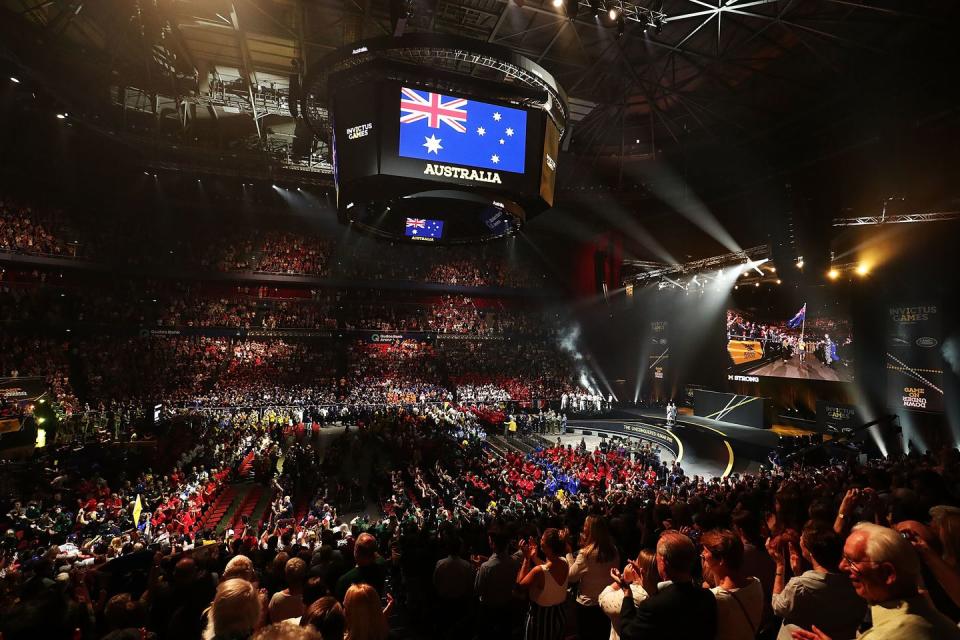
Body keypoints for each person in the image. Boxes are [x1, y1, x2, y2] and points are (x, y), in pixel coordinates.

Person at [792, 522, 960, 640]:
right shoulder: (940, 621)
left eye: (851, 561)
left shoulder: (885, 635)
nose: (842, 566)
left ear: (887, 574)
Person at [770, 523, 865, 640]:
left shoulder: (800, 586)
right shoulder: (854, 582)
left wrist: (780, 566)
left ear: (810, 552)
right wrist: (798, 573)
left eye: (802, 540)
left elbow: (777, 606)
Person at [616, 531, 717, 640]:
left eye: (657, 555)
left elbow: (627, 635)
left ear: (663, 562)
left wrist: (627, 593)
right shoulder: (708, 597)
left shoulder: (651, 606)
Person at [701, 529, 764, 640]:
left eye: (705, 551)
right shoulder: (756, 583)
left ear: (721, 560)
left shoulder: (714, 598)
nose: (702, 554)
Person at [567, 515, 621, 640]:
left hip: (588, 605)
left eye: (585, 526)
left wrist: (569, 553)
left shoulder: (586, 554)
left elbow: (571, 577)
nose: (583, 528)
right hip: (607, 603)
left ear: (591, 530)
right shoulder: (614, 549)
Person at [517, 528, 570, 640]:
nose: (540, 541)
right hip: (559, 617)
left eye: (542, 539)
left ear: (548, 547)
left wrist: (526, 558)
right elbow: (548, 569)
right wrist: (534, 557)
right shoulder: (564, 561)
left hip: (541, 621)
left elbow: (520, 586)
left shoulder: (538, 571)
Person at [599, 549, 659, 640]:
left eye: (636, 561)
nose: (632, 563)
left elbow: (602, 598)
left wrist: (624, 579)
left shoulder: (637, 595)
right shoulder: (658, 589)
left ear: (639, 570)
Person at [475, 530, 520, 639]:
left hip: (489, 607)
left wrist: (478, 570)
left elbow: (478, 589)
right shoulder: (515, 562)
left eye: (490, 541)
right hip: (508, 604)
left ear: (493, 544)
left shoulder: (486, 567)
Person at [335, 533, 387, 601]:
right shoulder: (382, 563)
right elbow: (378, 557)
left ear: (356, 551)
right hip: (376, 608)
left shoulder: (344, 581)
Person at [269, 557, 307, 622]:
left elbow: (274, 622)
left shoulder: (276, 598)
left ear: (286, 575)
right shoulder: (308, 598)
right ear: (304, 575)